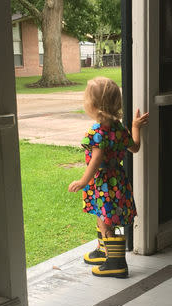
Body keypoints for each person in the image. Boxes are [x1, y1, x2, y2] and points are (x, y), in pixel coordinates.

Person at [68, 77, 149, 278]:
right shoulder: (119, 128)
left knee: (105, 220)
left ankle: (116, 263)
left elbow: (96, 159)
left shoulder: (96, 132)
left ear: (94, 106)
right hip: (116, 180)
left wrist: (83, 181)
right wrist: (136, 127)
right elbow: (135, 147)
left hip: (102, 181)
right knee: (102, 214)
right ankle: (104, 251)